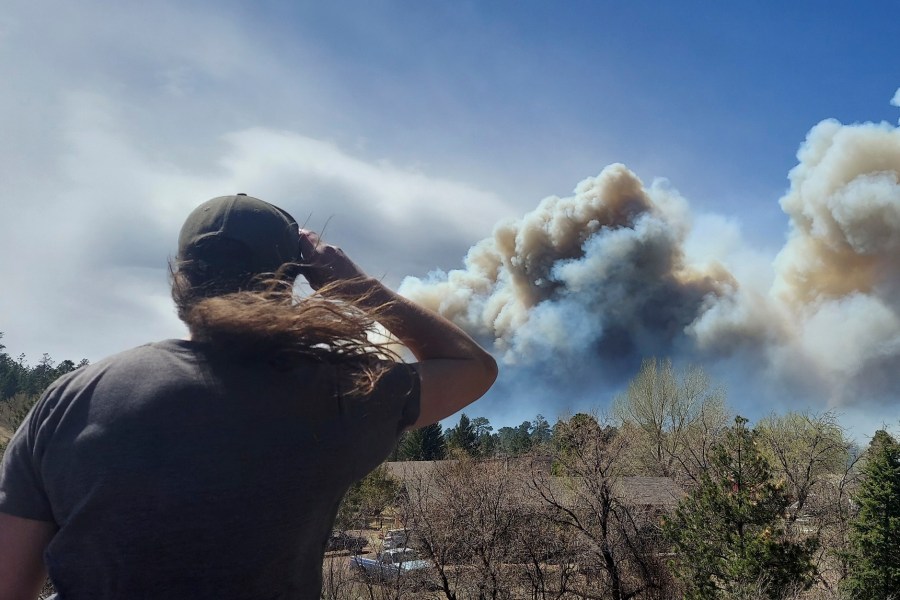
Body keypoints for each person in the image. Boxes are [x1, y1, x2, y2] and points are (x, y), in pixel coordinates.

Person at [0, 194, 498, 599]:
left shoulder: (69, 400)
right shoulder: (338, 395)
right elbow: (473, 369)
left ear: (181, 279)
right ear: (289, 284)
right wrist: (355, 286)